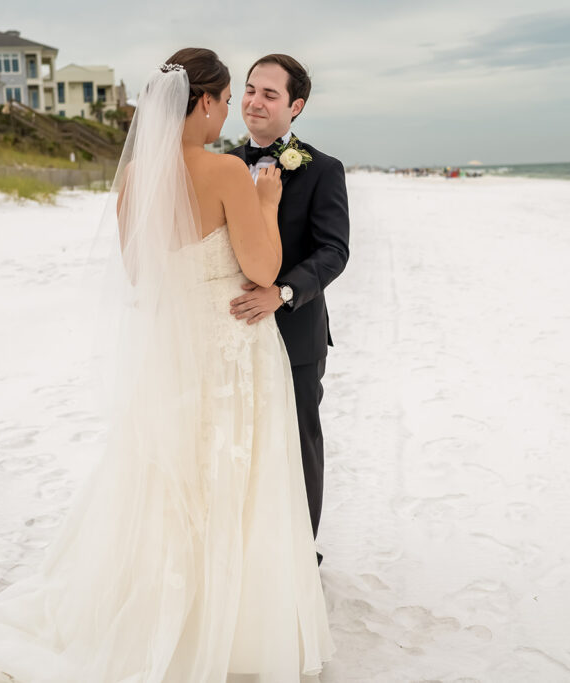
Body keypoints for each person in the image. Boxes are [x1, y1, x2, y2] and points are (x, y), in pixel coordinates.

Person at [0, 48, 334, 682]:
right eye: (226, 98)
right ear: (202, 102)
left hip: (174, 350)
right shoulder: (226, 172)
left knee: (172, 477)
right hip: (230, 349)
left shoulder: (137, 177)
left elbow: (142, 274)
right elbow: (264, 271)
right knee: (235, 474)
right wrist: (268, 205)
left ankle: (163, 598)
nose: (231, 110)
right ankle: (232, 615)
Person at [226, 55, 350, 565]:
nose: (255, 101)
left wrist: (281, 292)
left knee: (298, 446)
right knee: (238, 445)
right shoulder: (224, 166)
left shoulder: (322, 170)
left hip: (294, 334)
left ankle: (300, 559)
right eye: (250, 90)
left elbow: (333, 251)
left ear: (295, 106)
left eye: (270, 94)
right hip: (232, 332)